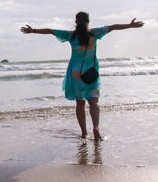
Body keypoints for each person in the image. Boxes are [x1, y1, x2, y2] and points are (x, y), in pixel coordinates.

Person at [20, 12, 144, 140]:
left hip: (76, 74)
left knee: (80, 103)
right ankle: (96, 127)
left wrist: (33, 30)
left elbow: (51, 31)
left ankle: (84, 133)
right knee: (93, 102)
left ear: (76, 22)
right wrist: (130, 25)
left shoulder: (71, 35)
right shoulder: (95, 33)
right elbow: (113, 27)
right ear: (88, 21)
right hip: (91, 72)